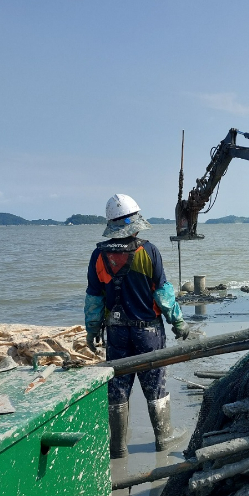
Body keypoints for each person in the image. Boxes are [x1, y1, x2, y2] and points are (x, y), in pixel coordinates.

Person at [85, 194, 190, 458]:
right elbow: (163, 294)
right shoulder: (148, 251)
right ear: (136, 221)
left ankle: (118, 446)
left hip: (117, 332)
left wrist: (92, 329)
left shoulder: (99, 255)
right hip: (148, 332)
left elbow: (94, 298)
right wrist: (178, 322)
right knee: (155, 384)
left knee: (118, 386)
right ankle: (163, 439)